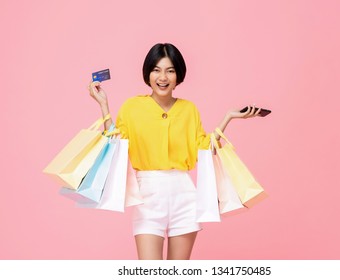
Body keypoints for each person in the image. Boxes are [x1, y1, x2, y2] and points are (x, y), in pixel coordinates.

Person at [88, 43, 261, 260]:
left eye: (170, 70)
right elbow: (116, 146)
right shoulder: (132, 108)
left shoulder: (189, 109)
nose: (163, 77)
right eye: (156, 70)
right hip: (148, 197)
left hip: (185, 196)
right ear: (148, 73)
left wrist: (228, 117)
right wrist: (104, 105)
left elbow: (205, 149)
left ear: (178, 75)